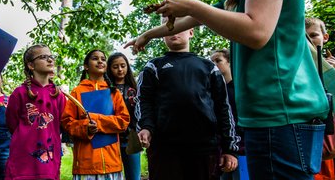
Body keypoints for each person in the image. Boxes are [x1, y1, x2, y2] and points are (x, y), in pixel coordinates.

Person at [125, 0, 330, 178]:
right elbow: (187, 21)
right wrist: (147, 35)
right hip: (264, 118)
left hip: (282, 115)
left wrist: (192, 5)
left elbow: (257, 31)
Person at [135, 17, 239, 180]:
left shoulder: (209, 67)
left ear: (191, 31)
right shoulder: (153, 67)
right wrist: (146, 127)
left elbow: (223, 108)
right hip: (164, 149)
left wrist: (229, 149)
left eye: (179, 23)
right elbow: (143, 101)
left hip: (204, 148)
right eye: (166, 24)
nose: (172, 27)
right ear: (162, 34)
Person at [61, 49, 130, 179]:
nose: (100, 61)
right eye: (95, 58)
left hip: (112, 162)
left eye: (103, 59)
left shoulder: (113, 92)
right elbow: (67, 122)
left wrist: (96, 120)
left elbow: (123, 121)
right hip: (86, 164)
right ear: (86, 66)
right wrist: (85, 127)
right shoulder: (76, 92)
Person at [5, 44, 66, 180]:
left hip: (49, 156)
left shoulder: (59, 95)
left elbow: (61, 125)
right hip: (23, 157)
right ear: (31, 65)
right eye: (44, 57)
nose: (50, 60)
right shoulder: (19, 93)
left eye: (51, 57)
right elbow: (12, 124)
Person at [306, 17, 335, 180]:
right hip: (321, 139)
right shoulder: (301, 68)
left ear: (325, 37)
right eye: (305, 37)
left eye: (313, 35)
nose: (310, 41)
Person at [211, 49, 249, 180]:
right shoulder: (215, 92)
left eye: (218, 60)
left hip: (243, 149)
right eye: (212, 61)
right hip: (222, 150)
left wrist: (236, 150)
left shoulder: (241, 89)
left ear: (229, 63)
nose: (214, 64)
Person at [107, 52, 141, 180]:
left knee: (134, 176)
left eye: (123, 65)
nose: (120, 69)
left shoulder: (135, 89)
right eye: (115, 66)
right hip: (110, 138)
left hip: (131, 137)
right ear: (109, 68)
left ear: (127, 66)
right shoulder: (106, 90)